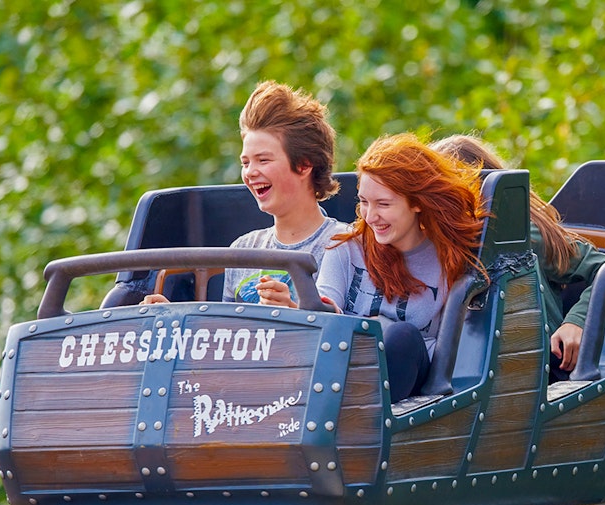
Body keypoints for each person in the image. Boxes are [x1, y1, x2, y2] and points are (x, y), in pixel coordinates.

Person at [313, 133, 488, 402]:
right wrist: (302, 306)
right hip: (344, 372)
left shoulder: (452, 259)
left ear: (416, 202)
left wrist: (377, 328)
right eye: (364, 202)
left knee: (402, 337)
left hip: (413, 386)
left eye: (383, 204)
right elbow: (327, 309)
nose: (371, 216)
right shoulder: (344, 248)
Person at [141, 80, 349, 306]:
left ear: (304, 165)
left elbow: (346, 328)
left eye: (263, 160)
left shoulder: (341, 243)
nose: (250, 172)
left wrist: (292, 310)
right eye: (245, 162)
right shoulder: (242, 250)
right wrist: (174, 315)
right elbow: (228, 334)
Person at [430, 134, 605, 380]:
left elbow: (604, 269)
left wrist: (575, 322)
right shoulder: (437, 238)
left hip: (541, 365)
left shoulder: (522, 231)